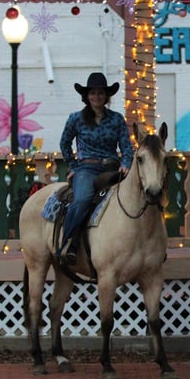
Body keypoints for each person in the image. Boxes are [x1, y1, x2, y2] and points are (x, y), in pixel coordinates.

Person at [58, 72, 134, 265]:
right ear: (87, 96)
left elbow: (126, 146)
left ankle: (144, 246)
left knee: (136, 197)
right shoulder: (76, 119)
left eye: (100, 93)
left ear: (106, 96)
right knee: (82, 200)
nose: (97, 97)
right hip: (87, 169)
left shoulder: (117, 119)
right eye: (93, 93)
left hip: (112, 168)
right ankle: (69, 242)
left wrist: (125, 164)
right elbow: (65, 144)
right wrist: (74, 166)